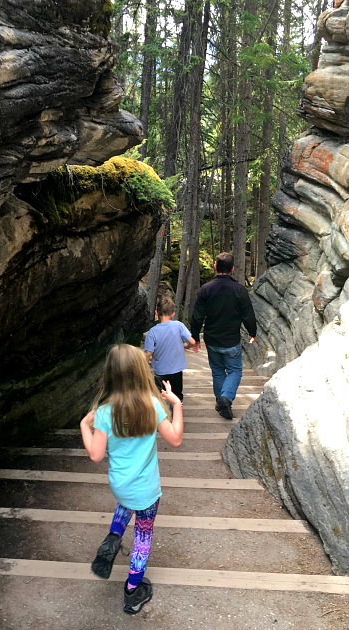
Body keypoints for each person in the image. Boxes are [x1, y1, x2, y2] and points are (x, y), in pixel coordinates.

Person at [80, 344, 183, 615]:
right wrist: (176, 404)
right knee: (143, 535)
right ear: (141, 372)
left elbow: (95, 455)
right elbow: (175, 439)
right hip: (146, 489)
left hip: (120, 486)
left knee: (126, 502)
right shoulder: (152, 405)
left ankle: (113, 536)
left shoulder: (104, 412)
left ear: (111, 374)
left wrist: (83, 425)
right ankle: (132, 592)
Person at [190, 252, 257, 420]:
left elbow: (197, 315)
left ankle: (221, 402)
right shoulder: (240, 290)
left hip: (212, 339)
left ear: (215, 267)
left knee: (218, 372)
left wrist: (195, 337)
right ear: (232, 269)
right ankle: (225, 398)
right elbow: (248, 314)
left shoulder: (206, 289)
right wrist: (252, 332)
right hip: (231, 340)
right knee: (235, 371)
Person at [144, 296, 197, 403]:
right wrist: (186, 346)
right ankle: (177, 409)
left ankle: (163, 414)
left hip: (160, 371)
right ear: (173, 314)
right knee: (177, 395)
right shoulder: (179, 325)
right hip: (176, 369)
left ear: (156, 313)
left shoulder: (152, 332)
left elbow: (148, 353)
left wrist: (144, 369)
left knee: (160, 396)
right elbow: (192, 342)